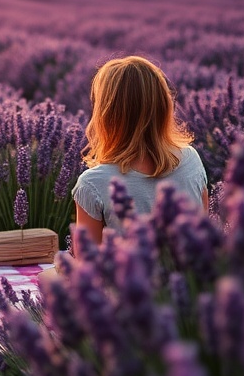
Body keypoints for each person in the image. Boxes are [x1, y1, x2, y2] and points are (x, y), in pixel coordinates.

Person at [72, 55, 208, 243]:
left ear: (107, 115)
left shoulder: (93, 183)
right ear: (164, 106)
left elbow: (88, 265)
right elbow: (205, 233)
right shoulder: (191, 159)